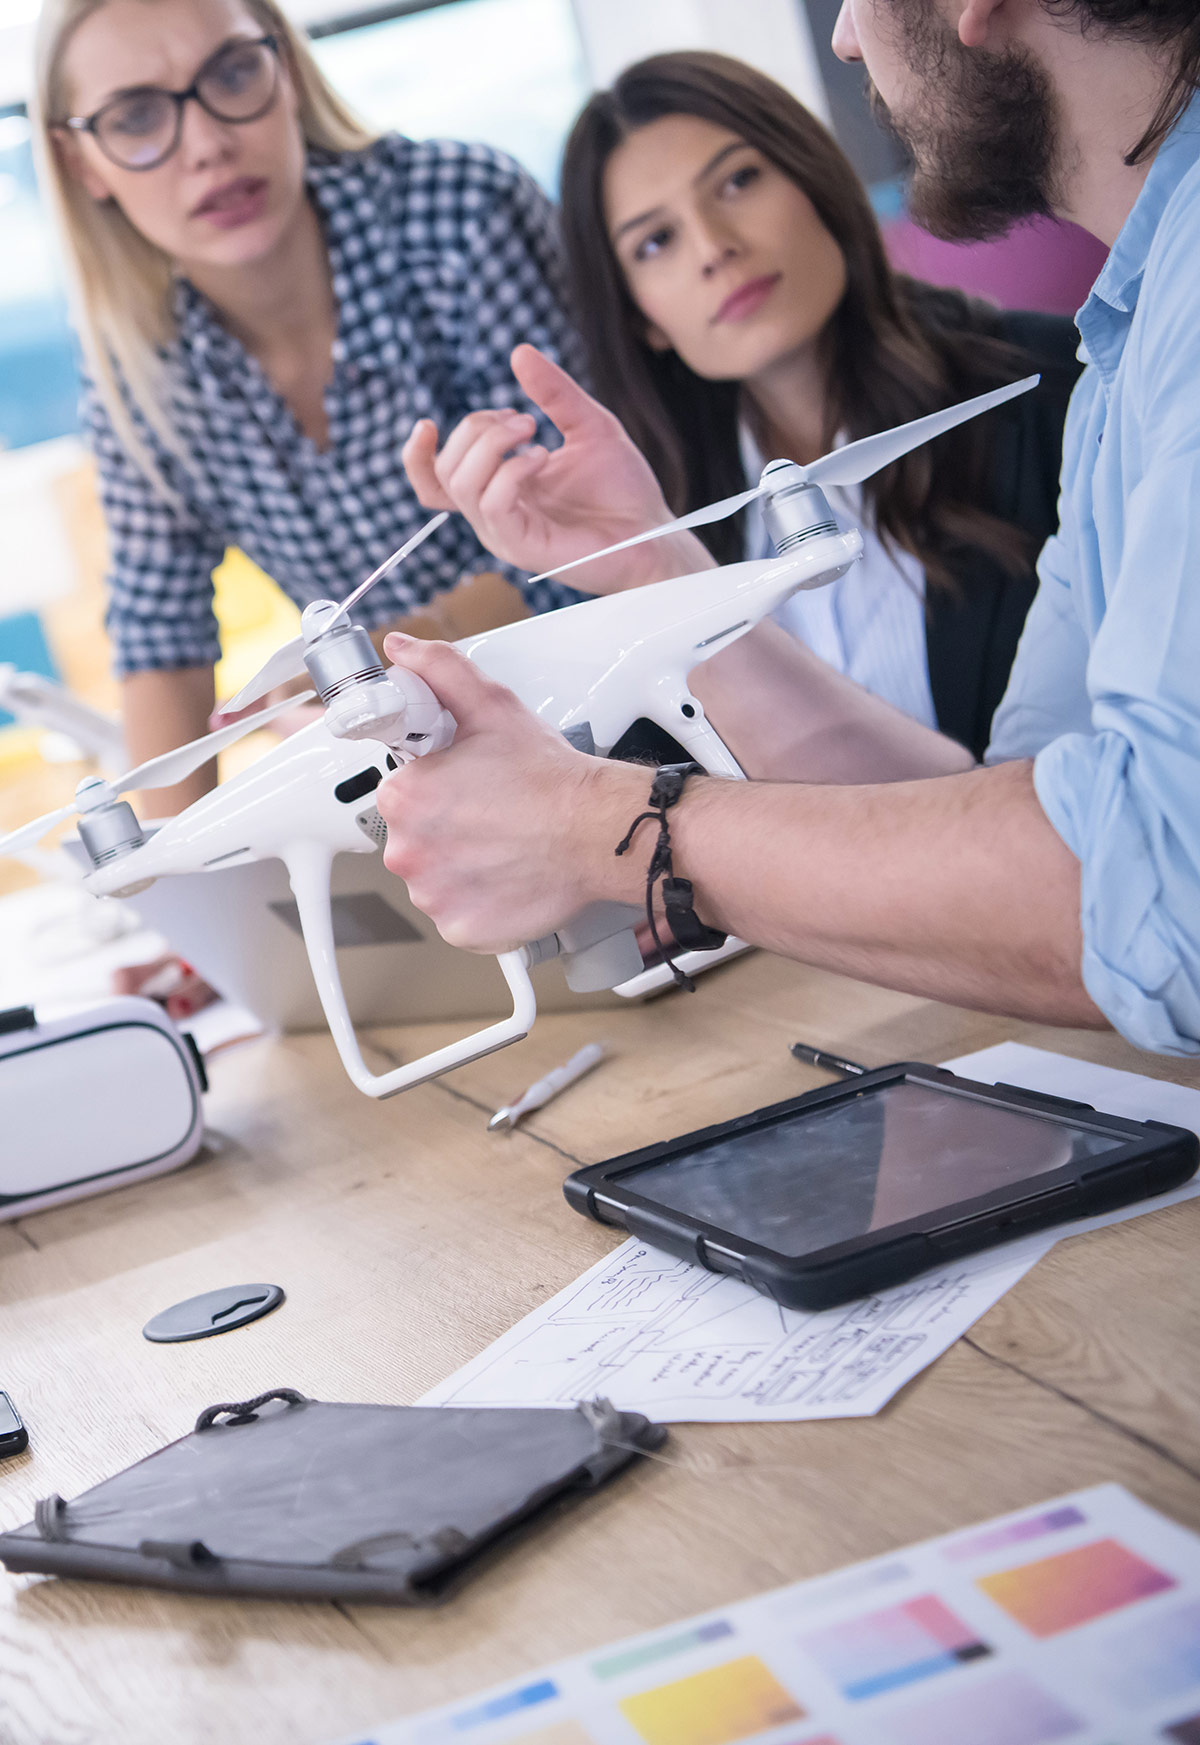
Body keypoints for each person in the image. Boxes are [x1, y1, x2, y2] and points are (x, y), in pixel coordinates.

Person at [376, 0, 1200, 1057]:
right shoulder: (1120, 358)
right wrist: (657, 566)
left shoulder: (1090, 363)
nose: (846, 37)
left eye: (738, 182)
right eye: (659, 240)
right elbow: (1002, 834)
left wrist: (598, 827)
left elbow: (1153, 895)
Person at [405, 52, 1078, 761]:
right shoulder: (660, 526)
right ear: (643, 319)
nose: (713, 248)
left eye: (736, 181)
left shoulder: (1061, 388)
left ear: (812, 180)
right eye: (655, 241)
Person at [32, 0, 584, 812]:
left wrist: (357, 665)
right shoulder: (136, 356)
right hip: (435, 776)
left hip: (608, 706)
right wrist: (186, 882)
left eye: (231, 73)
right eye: (137, 115)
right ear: (83, 165)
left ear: (285, 69)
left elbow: (580, 546)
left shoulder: (458, 213)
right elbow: (161, 644)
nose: (209, 144)